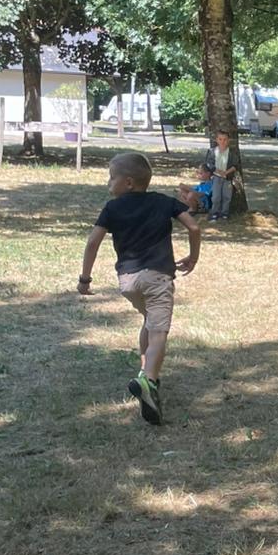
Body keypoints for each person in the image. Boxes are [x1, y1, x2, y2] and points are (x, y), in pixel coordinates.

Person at [77, 151, 201, 425]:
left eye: (112, 178)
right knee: (158, 333)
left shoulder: (112, 208)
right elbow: (193, 227)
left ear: (129, 183)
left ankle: (146, 370)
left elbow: (93, 242)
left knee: (149, 320)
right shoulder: (163, 202)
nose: (109, 183)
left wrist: (85, 279)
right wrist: (193, 257)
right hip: (158, 278)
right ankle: (149, 381)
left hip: (128, 281)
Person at [202, 129, 239, 221]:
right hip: (216, 177)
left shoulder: (231, 153)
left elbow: (235, 165)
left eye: (225, 139)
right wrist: (217, 171)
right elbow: (209, 163)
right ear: (217, 140)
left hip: (227, 177)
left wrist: (226, 172)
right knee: (216, 197)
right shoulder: (212, 151)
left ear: (228, 140)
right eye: (220, 139)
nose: (223, 141)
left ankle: (224, 213)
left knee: (227, 196)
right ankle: (214, 213)